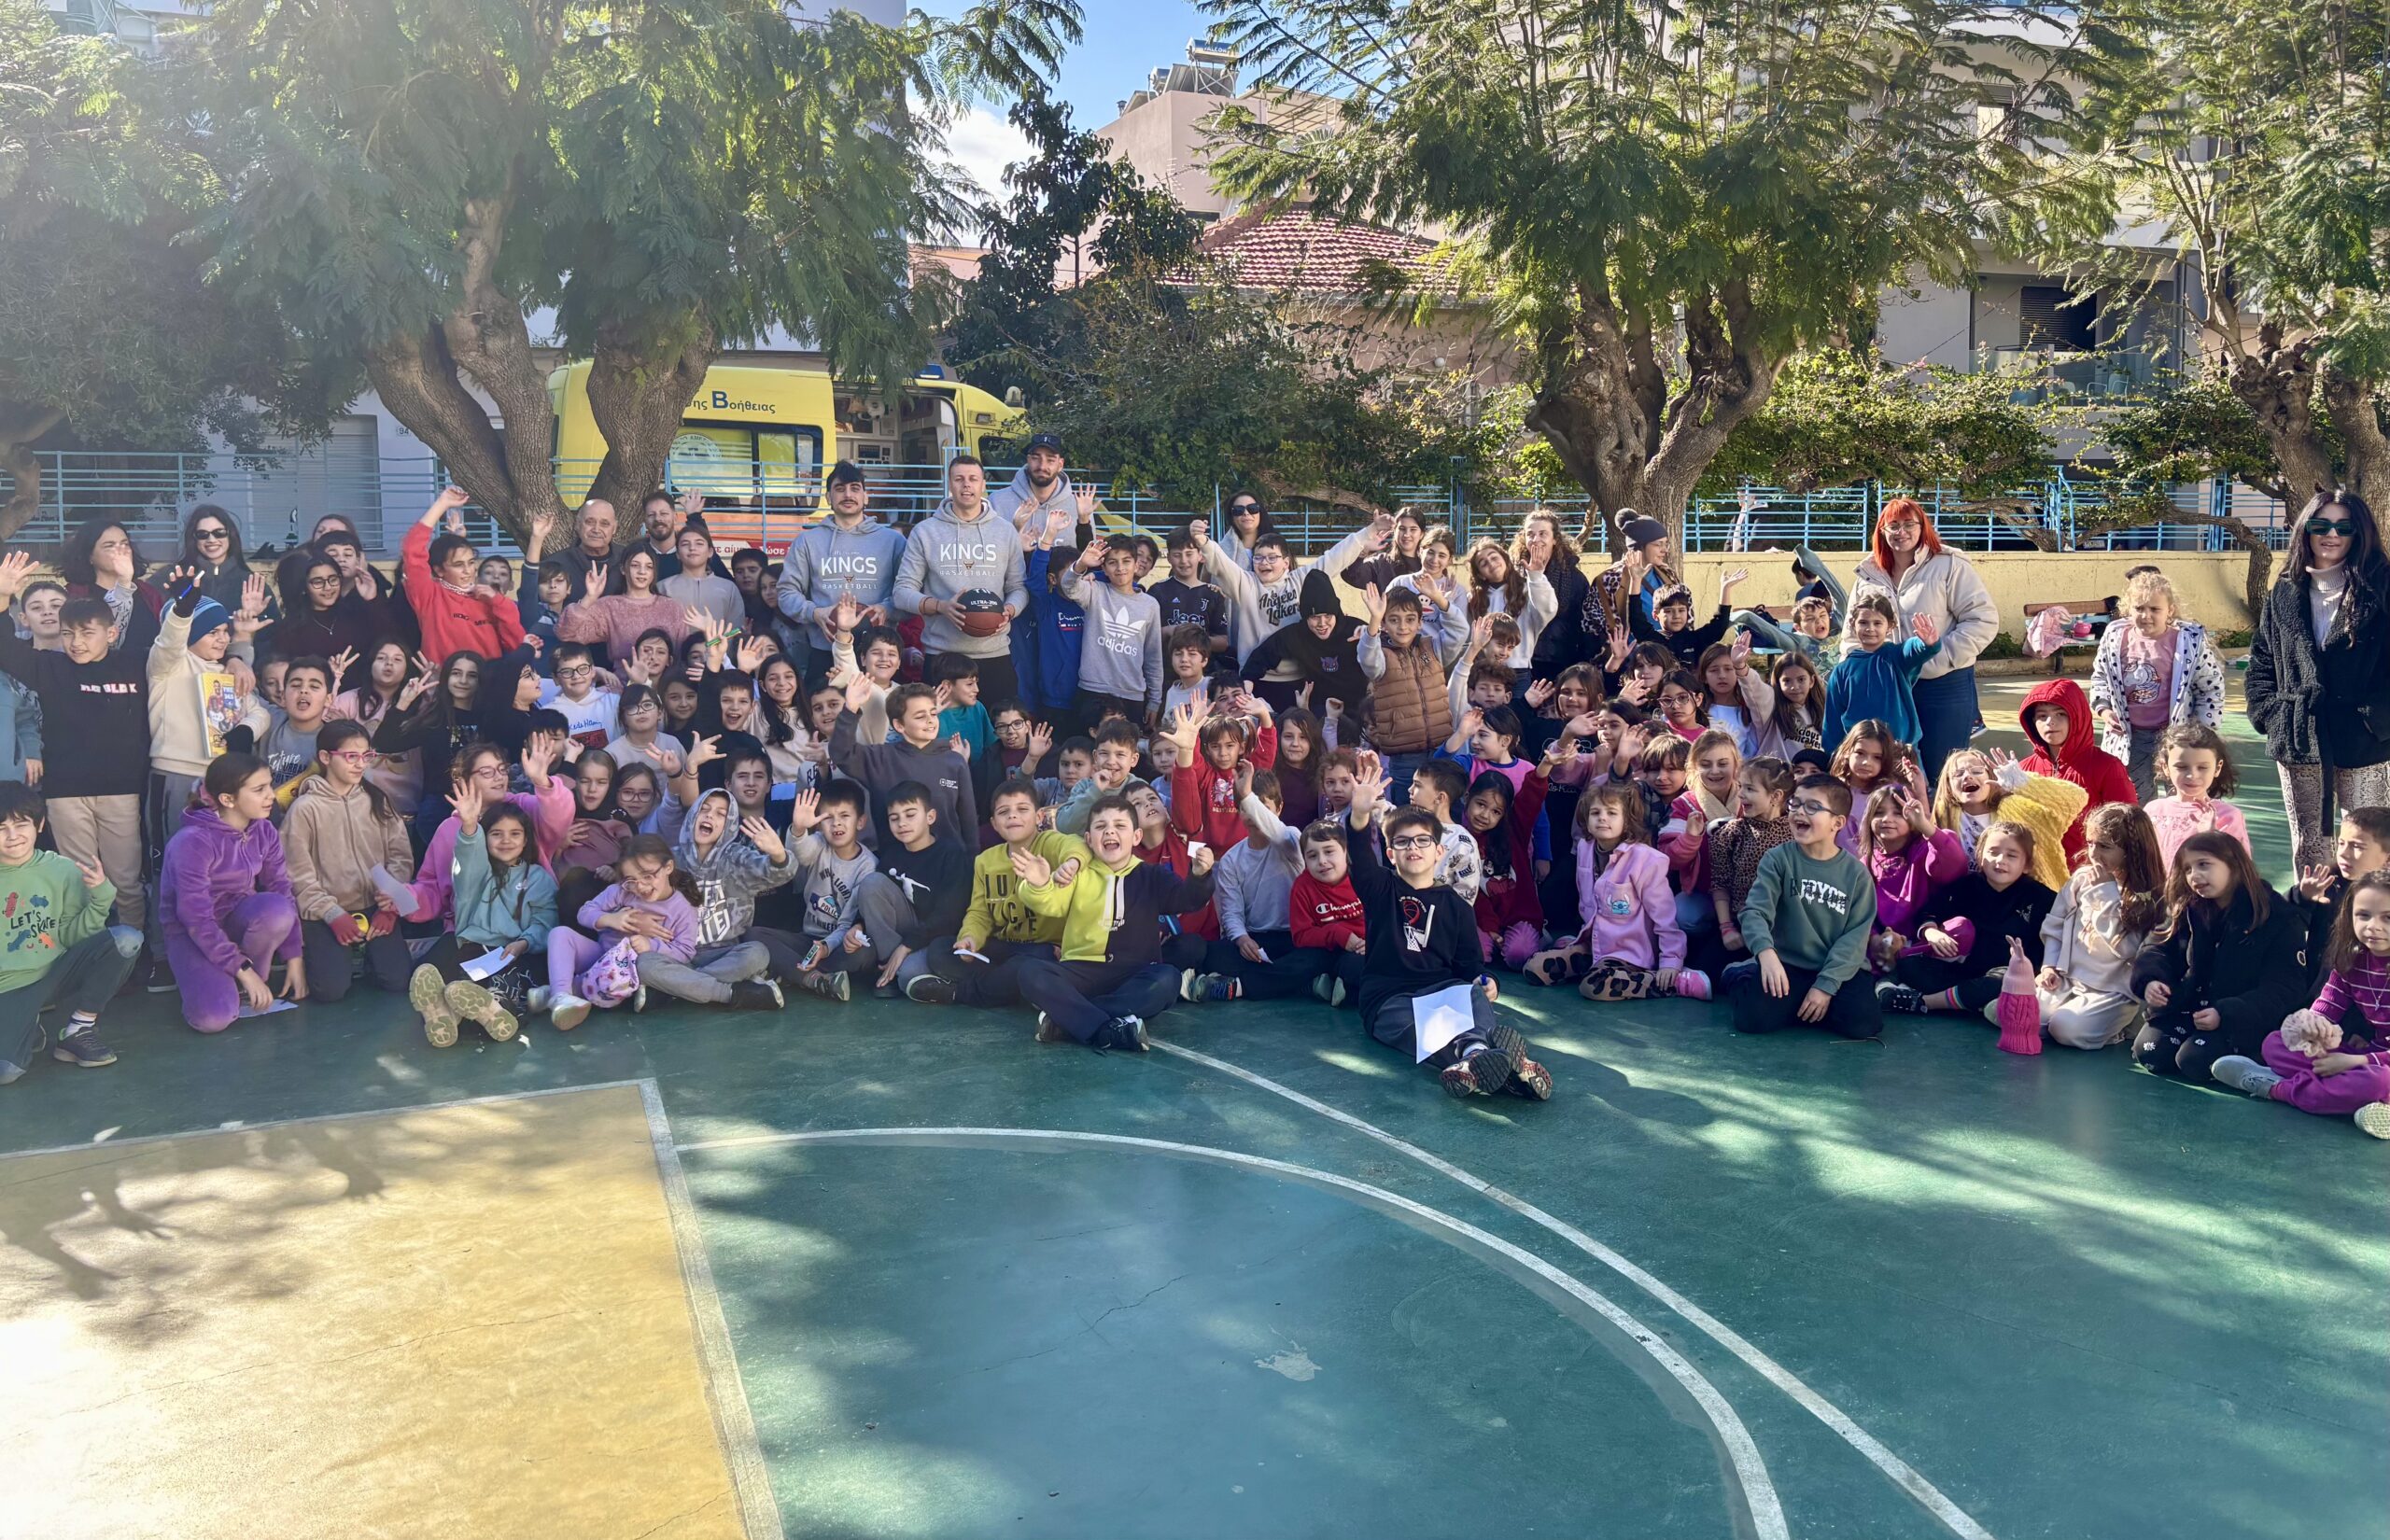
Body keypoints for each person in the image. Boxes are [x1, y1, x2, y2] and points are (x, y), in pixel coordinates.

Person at [1341, 758, 1553, 1098]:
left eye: (1422, 841)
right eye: (1403, 842)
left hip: (1442, 992)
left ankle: (1473, 1062)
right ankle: (1496, 1062)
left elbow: (1471, 966)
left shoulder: (1456, 906)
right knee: (1421, 1029)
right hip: (1390, 999)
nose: (1413, 847)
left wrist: (1488, 982)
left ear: (1439, 851)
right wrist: (1360, 814)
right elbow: (1362, 860)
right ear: (1391, 855)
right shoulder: (1381, 889)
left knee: (1471, 995)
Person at [0, 552, 150, 931]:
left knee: (126, 883)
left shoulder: (134, 664)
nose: (76, 642)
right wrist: (2, 598)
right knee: (80, 882)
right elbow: (5, 649)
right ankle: (87, 950)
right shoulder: (49, 666)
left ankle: (135, 950)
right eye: (68, 633)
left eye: (86, 633)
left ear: (110, 634)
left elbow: (169, 644)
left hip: (121, 791)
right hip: (65, 794)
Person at [2246, 488, 2390, 873]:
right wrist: (2272, 714)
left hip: (2364, 740)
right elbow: (2262, 660)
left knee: (2369, 848)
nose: (2332, 534)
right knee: (2311, 850)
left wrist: (2377, 720)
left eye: (2344, 527)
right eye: (2321, 525)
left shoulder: (2381, 587)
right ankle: (2313, 912)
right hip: (2300, 737)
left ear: (2360, 532)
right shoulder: (2284, 592)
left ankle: (2370, 913)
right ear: (2305, 530)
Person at [1014, 793, 1219, 1050]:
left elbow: (1187, 900)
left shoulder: (1151, 875)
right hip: (1081, 971)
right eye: (1101, 826)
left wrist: (1199, 876)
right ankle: (1106, 1029)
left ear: (1136, 836)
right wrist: (1040, 884)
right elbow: (1051, 904)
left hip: (1133, 973)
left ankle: (1069, 1021)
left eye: (1120, 826)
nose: (1110, 831)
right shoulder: (1078, 875)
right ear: (1089, 839)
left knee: (1167, 979)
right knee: (1030, 972)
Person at [2209, 873, 2390, 1137]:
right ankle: (2357, 1098)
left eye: (2388, 917)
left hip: (2374, 1064)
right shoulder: (2351, 960)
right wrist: (2313, 1028)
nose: (2373, 926)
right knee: (2276, 1044)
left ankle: (2277, 1088)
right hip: (2366, 1057)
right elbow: (2327, 1005)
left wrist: (2356, 1061)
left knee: (2379, 1081)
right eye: (2363, 915)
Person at [2130, 831, 2313, 1082]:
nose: (2194, 876)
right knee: (2151, 1053)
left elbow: (2285, 988)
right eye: (2187, 869)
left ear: (2234, 865)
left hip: (2243, 1019)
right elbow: (2156, 947)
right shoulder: (2187, 907)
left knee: (2194, 1061)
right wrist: (2151, 979)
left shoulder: (2276, 916)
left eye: (2204, 864)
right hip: (2189, 1008)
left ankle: (2253, 1055)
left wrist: (2226, 1013)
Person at [1844, 497, 1999, 781]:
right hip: (1889, 688)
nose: (1900, 531)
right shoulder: (1868, 574)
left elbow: (1982, 620)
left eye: (1908, 524)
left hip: (1943, 686)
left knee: (1944, 774)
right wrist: (1860, 673)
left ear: (1922, 527)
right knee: (1891, 773)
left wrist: (1937, 657)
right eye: (1893, 525)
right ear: (1881, 531)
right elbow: (1852, 633)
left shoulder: (1949, 565)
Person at [0, 782, 141, 1082]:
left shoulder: (61, 869)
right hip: (7, 989)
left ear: (39, 825)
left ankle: (79, 1030)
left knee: (126, 940)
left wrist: (101, 894)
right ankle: (26, 1025)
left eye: (21, 824)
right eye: (1, 828)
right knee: (7, 1072)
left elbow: (71, 935)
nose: (12, 836)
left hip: (55, 974)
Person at [1726, 774, 1882, 1039]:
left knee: (1863, 1025)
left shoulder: (1857, 874)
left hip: (1837, 969)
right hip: (1787, 964)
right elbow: (1755, 912)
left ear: (1837, 823)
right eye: (1795, 803)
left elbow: (1855, 937)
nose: (1799, 812)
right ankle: (1740, 974)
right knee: (1751, 1020)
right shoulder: (1777, 859)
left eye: (1812, 807)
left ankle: (1807, 1005)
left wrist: (1825, 987)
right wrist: (1766, 954)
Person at [912, 778, 1078, 1007]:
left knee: (1030, 965)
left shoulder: (1050, 844)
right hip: (1003, 946)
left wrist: (1072, 862)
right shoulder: (985, 861)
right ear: (994, 824)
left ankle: (960, 993)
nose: (1013, 816)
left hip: (1043, 949)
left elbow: (1076, 845)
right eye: (1003, 812)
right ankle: (1014, 988)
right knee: (940, 949)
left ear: (1039, 817)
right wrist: (970, 938)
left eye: (1022, 809)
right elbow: (980, 912)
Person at [283, 719, 417, 1002]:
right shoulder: (305, 809)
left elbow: (400, 856)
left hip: (375, 907)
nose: (360, 764)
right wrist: (332, 914)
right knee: (330, 991)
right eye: (351, 756)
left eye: (366, 756)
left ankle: (367, 957)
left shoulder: (377, 800)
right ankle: (327, 954)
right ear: (325, 757)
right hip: (327, 912)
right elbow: (298, 876)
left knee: (398, 980)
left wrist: (391, 905)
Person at [409, 788, 555, 1039]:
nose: (506, 840)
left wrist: (524, 942)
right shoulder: (476, 874)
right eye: (496, 834)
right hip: (472, 947)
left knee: (510, 981)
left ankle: (494, 1011)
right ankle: (443, 1016)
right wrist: (469, 826)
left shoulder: (538, 877)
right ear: (484, 838)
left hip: (513, 951)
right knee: (446, 973)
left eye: (515, 834)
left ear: (526, 840)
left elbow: (546, 921)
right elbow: (468, 859)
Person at [2025, 803, 2166, 1050]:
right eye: (2090, 843)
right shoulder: (2081, 879)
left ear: (2132, 849)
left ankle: (2123, 1025)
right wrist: (2050, 966)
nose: (2093, 853)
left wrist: (2106, 894)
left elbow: (2127, 948)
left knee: (2064, 1029)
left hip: (2112, 991)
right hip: (2068, 981)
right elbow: (2055, 927)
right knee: (2026, 1020)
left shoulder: (2149, 895)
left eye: (2104, 846)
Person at [1877, 822, 2056, 1015]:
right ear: (1979, 856)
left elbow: (2052, 940)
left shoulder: (2041, 898)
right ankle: (1969, 1002)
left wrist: (2043, 970)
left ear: (2027, 865)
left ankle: (1923, 1002)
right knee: (1910, 966)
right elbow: (1929, 911)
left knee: (2007, 982)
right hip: (1960, 971)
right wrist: (1931, 931)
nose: (2000, 860)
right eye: (1993, 852)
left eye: (2011, 855)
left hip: (2003, 974)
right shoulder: (1965, 886)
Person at [894, 454, 1031, 703]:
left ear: (983, 485)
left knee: (998, 725)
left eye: (973, 479)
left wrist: (1009, 610)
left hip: (994, 653)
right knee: (939, 727)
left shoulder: (1005, 531)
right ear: (950, 484)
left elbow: (1018, 587)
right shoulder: (925, 532)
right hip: (942, 655)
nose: (966, 485)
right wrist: (940, 606)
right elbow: (902, 592)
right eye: (959, 479)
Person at [640, 789, 792, 1012]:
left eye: (721, 814)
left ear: (728, 825)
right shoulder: (670, 860)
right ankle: (730, 994)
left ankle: (673, 989)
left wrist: (779, 854)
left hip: (725, 954)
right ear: (692, 816)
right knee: (644, 964)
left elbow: (777, 874)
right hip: (677, 953)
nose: (710, 815)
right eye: (704, 809)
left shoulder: (737, 857)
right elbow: (638, 888)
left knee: (757, 953)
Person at [1180, 768, 1322, 1002]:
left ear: (1279, 808)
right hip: (1257, 940)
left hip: (1296, 937)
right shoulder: (1231, 859)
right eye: (1245, 808)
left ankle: (1240, 987)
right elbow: (1232, 912)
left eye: (1262, 807)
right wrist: (1242, 939)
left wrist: (1247, 796)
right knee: (1213, 955)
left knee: (1318, 955)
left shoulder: (1291, 839)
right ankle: (1302, 983)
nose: (1253, 816)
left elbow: (1277, 833)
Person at [2088, 569, 2228, 800]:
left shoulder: (2188, 643)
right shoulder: (2115, 638)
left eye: (2155, 609)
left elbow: (2211, 687)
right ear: (2128, 608)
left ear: (2170, 610)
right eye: (2139, 608)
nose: (2146, 615)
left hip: (2179, 737)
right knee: (2136, 798)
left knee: (2184, 797)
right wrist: (2104, 709)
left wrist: (2202, 731)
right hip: (2132, 738)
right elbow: (2101, 677)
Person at [543, 834, 702, 1029]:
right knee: (560, 934)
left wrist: (651, 945)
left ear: (668, 867)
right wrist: (611, 919)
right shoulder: (621, 891)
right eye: (631, 880)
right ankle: (561, 996)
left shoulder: (683, 909)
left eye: (647, 876)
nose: (640, 886)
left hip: (630, 973)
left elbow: (685, 952)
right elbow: (584, 913)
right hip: (600, 954)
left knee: (619, 975)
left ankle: (557, 992)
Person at [1194, 512, 1390, 666]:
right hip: (1258, 675)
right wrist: (1203, 542)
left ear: (1286, 563)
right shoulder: (1245, 584)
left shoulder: (1300, 580)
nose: (1265, 563)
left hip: (1299, 672)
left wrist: (1371, 530)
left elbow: (1334, 558)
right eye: (1259, 558)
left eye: (1272, 557)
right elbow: (1222, 565)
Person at [838, 781, 973, 998]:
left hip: (936, 938)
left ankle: (898, 970)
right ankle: (889, 967)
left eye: (910, 815)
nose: (902, 823)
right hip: (900, 935)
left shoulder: (951, 854)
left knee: (910, 974)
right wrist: (858, 925)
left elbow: (949, 916)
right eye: (894, 818)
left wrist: (906, 947)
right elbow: (875, 901)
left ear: (930, 817)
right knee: (872, 882)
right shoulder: (892, 854)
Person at [775, 461, 907, 675]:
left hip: (878, 654)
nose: (848, 494)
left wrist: (887, 608)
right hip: (825, 650)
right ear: (828, 497)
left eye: (855, 488)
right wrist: (814, 612)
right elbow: (786, 592)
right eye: (839, 489)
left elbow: (909, 592)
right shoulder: (807, 541)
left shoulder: (894, 541)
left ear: (866, 496)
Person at [831, 679, 977, 849]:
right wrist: (850, 709)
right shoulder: (880, 758)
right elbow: (842, 753)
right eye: (920, 716)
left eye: (933, 713)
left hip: (950, 859)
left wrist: (971, 858)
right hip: (897, 861)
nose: (930, 720)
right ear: (899, 725)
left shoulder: (954, 759)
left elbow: (968, 819)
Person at [2015, 679, 2135, 867]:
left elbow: (2127, 825)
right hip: (2037, 872)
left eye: (2061, 714)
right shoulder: (2023, 769)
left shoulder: (2106, 766)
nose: (2050, 722)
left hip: (2089, 871)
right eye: (2042, 716)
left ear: (2078, 717)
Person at [401, 487, 527, 661]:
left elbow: (516, 645)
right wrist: (442, 504)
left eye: (471, 562)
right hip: (444, 677)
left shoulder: (489, 599)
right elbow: (412, 550)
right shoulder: (430, 595)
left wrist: (499, 601)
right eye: (458, 565)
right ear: (439, 570)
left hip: (488, 677)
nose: (468, 570)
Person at [784, 781, 879, 1002]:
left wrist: (826, 948)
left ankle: (795, 970)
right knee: (755, 937)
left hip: (837, 944)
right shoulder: (819, 843)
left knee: (865, 954)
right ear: (819, 824)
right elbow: (798, 856)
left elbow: (847, 923)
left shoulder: (868, 865)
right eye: (828, 817)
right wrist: (798, 830)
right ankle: (816, 977)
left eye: (845, 815)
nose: (836, 823)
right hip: (809, 939)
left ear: (861, 821)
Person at [1057, 533, 1163, 727]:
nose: (1120, 568)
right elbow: (1068, 586)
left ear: (1136, 564)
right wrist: (1081, 564)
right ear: (1104, 568)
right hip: (1092, 690)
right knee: (1087, 746)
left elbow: (1153, 656)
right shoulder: (1095, 591)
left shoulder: (1150, 605)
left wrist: (1155, 701)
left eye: (1126, 561)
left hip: (1131, 695)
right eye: (1113, 563)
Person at [1824, 591, 1941, 749]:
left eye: (1877, 623)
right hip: (1861, 753)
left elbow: (1914, 649)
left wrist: (1927, 643)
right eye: (1863, 622)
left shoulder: (1897, 657)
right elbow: (1832, 723)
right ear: (1852, 624)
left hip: (1900, 751)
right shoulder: (1842, 671)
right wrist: (1833, 755)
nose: (1870, 628)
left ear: (1890, 626)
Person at [557, 546, 695, 667]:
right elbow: (567, 634)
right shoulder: (609, 606)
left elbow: (683, 654)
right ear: (623, 569)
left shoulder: (672, 608)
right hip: (622, 684)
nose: (642, 571)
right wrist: (590, 598)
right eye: (635, 565)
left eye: (649, 567)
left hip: (666, 683)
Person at [2144, 723, 2250, 868]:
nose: (2192, 775)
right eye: (2182, 767)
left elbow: (2239, 870)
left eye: (2202, 767)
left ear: (2217, 768)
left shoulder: (2228, 816)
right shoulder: (2153, 810)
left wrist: (2210, 837)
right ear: (2165, 767)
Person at [60, 515, 165, 655]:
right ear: (90, 556)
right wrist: (124, 582)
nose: (120, 550)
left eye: (125, 544)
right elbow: (107, 642)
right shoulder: (75, 595)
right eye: (109, 546)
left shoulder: (148, 593)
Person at [1149, 527, 1230, 658]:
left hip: (1203, 668)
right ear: (1169, 557)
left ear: (1200, 556)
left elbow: (1223, 642)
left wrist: (1196, 640)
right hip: (1165, 668)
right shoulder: (1157, 591)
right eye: (1177, 555)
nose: (1183, 561)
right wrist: (1168, 631)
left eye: (1189, 554)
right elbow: (1144, 635)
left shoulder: (1213, 594)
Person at [659, 522, 745, 630]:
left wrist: (716, 639)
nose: (692, 548)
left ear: (710, 552)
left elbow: (737, 629)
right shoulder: (664, 587)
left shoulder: (728, 588)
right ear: (677, 554)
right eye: (685, 544)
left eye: (699, 544)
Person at [991, 431, 1079, 534]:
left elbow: (1088, 544)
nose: (1042, 466)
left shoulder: (1078, 507)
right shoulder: (996, 502)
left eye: (1050, 460)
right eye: (1036, 458)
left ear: (1060, 465)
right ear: (1028, 460)